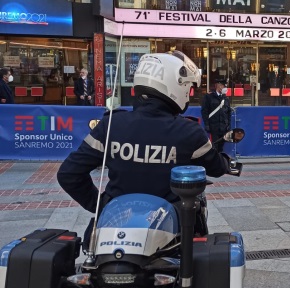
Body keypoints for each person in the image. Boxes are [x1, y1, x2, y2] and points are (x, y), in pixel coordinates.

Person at [57, 51, 232, 246]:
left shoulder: (111, 125)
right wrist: (225, 162)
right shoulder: (189, 132)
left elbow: (68, 174)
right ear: (176, 85)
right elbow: (216, 169)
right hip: (169, 237)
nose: (189, 93)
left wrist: (102, 205)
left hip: (113, 231)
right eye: (188, 87)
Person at [201, 78, 232, 152]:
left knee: (221, 147)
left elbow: (228, 112)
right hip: (214, 126)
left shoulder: (226, 98)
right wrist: (207, 124)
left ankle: (220, 161)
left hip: (223, 127)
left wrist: (228, 124)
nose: (225, 88)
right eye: (224, 86)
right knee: (214, 146)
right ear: (219, 86)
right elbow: (204, 111)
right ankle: (215, 161)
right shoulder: (209, 97)